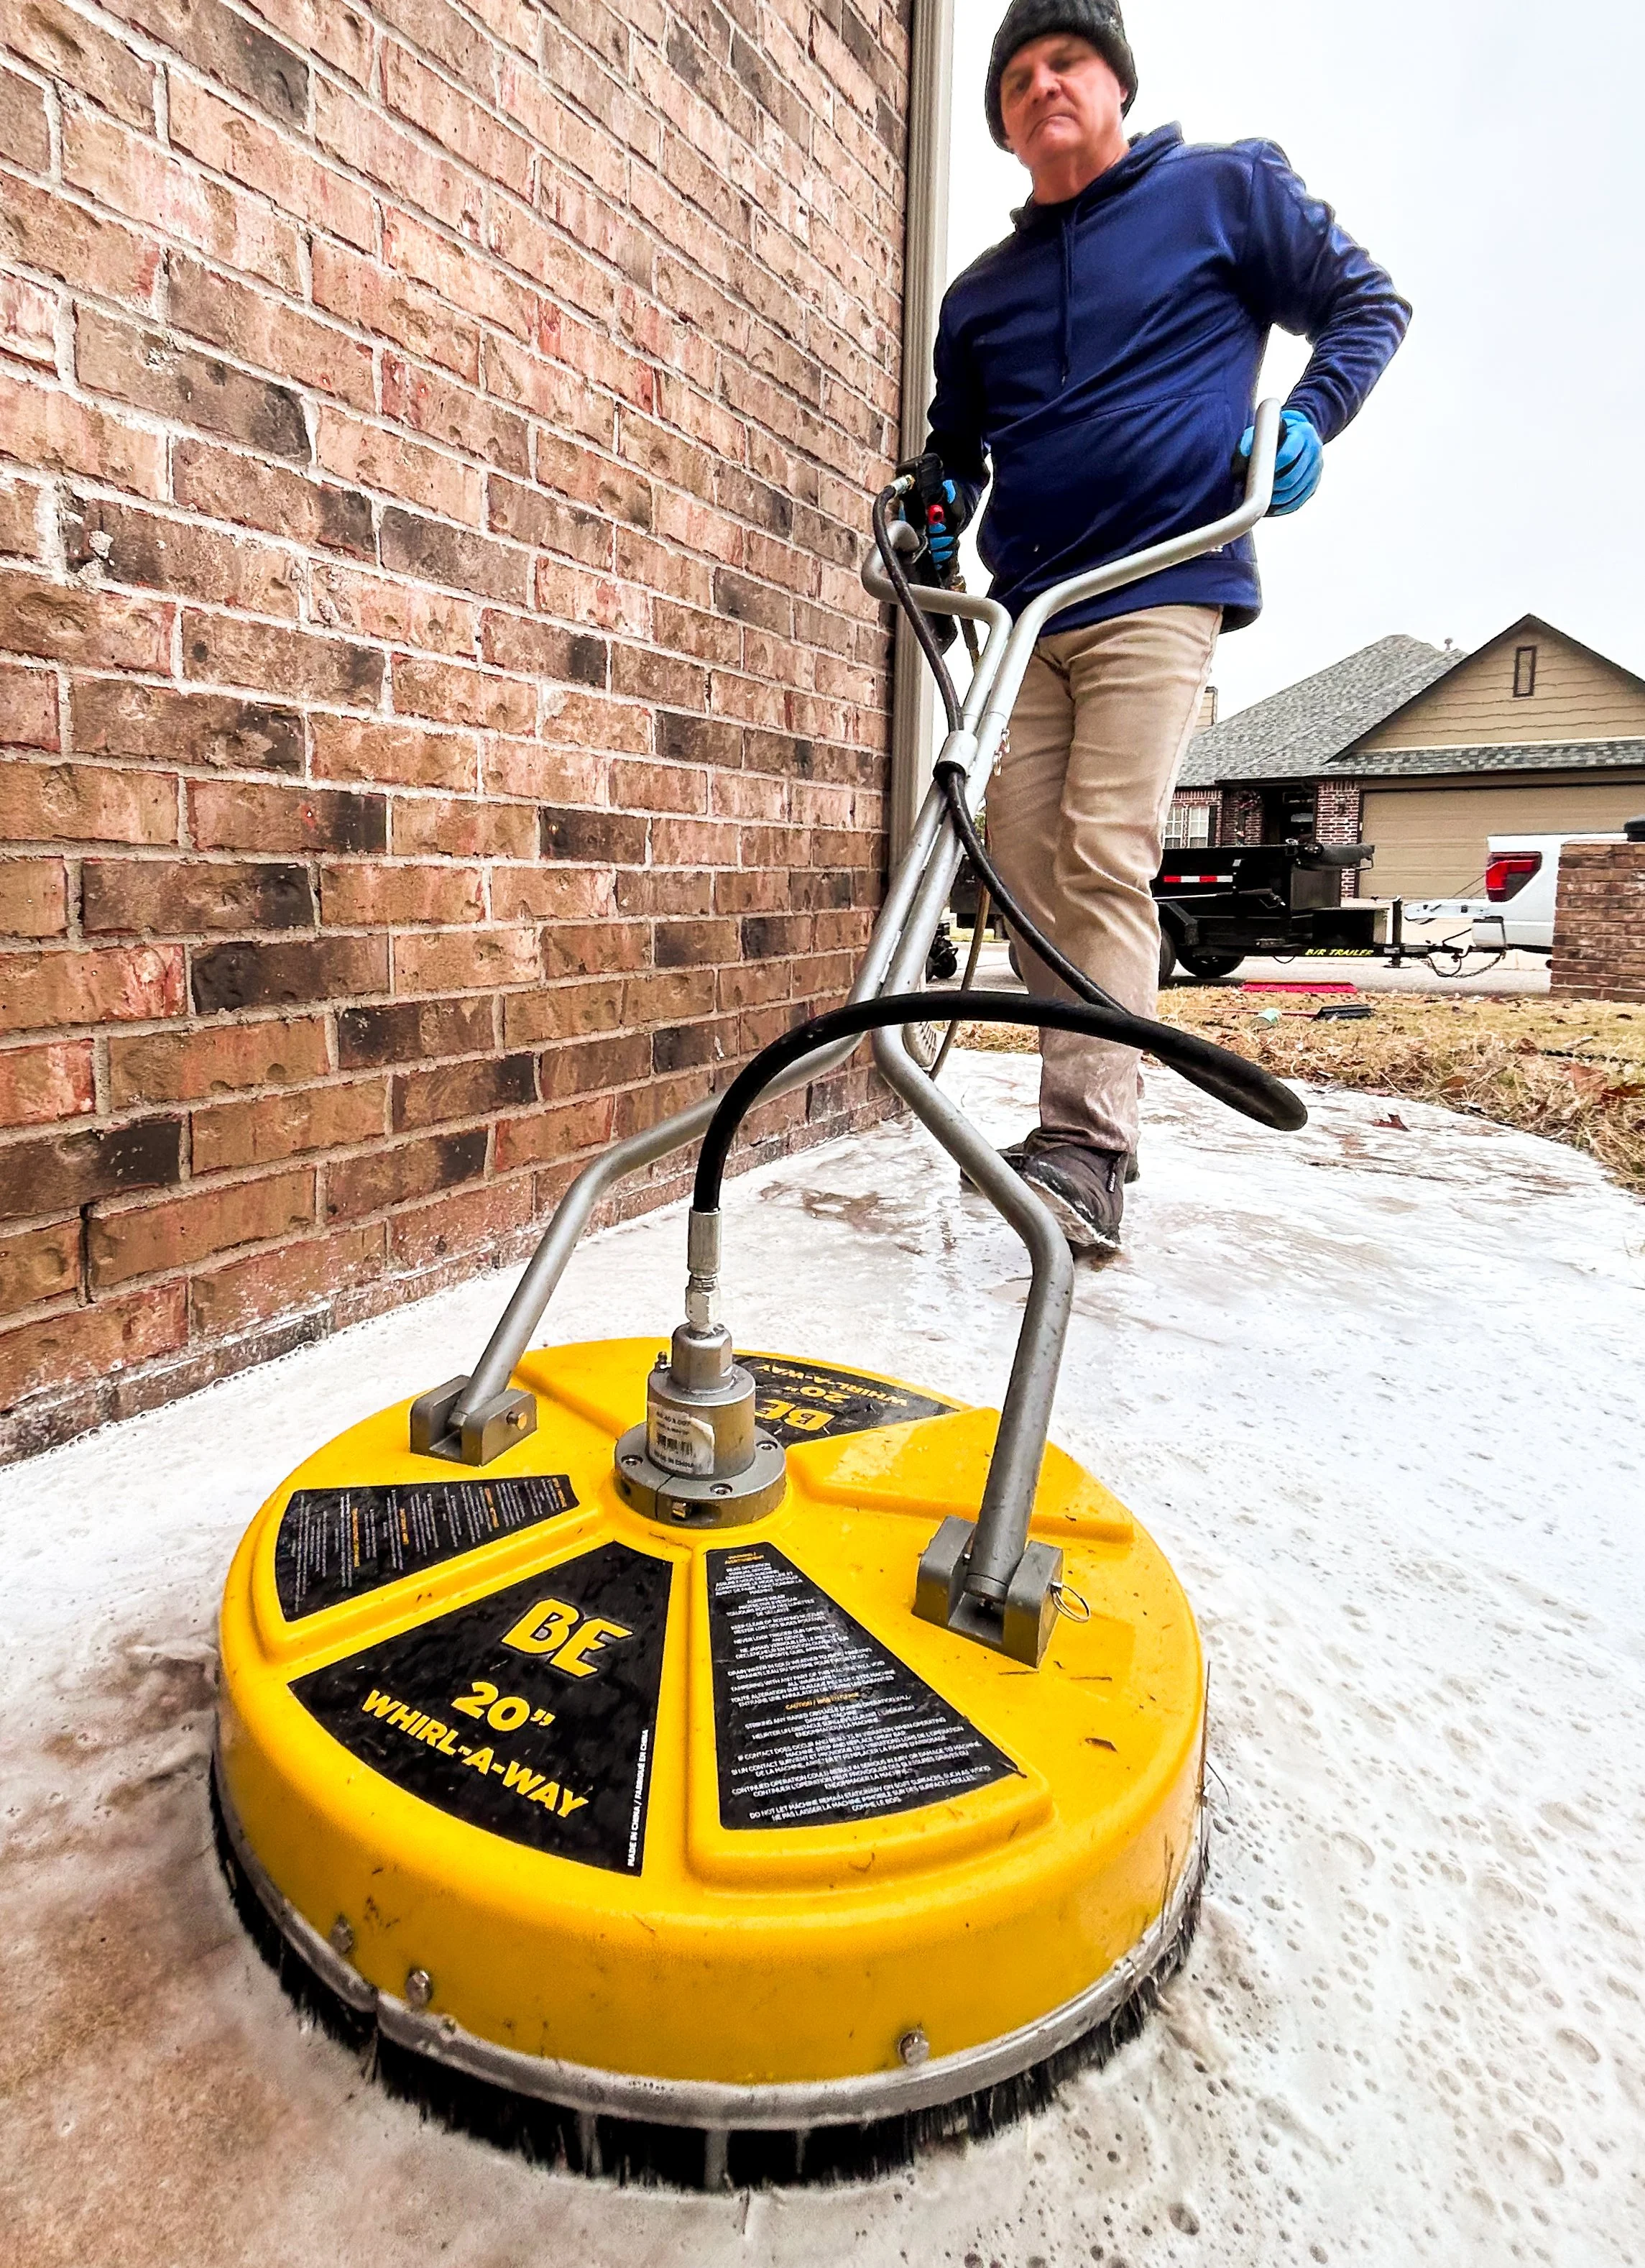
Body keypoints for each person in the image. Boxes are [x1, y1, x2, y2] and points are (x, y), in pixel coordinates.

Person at [916, 0, 1409, 1252]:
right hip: (1028, 610)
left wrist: (1306, 421)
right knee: (1024, 874)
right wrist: (933, 513)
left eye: (1065, 61)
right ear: (1004, 124)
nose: (1043, 87)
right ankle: (1077, 1122)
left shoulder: (1223, 193)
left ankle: (1086, 1145)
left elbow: (1366, 306)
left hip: (1159, 582)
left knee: (1101, 849)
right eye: (1017, 77)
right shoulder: (982, 296)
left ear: (1116, 80)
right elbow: (955, 450)